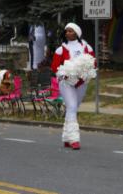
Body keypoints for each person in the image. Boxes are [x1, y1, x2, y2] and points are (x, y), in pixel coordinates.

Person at [51, 22, 95, 150]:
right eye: (67, 31)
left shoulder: (87, 47)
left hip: (82, 81)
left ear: (77, 33)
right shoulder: (61, 49)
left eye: (71, 31)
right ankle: (74, 139)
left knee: (74, 108)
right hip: (66, 82)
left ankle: (66, 137)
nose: (68, 33)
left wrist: (86, 72)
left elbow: (93, 63)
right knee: (71, 106)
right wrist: (64, 75)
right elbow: (55, 67)